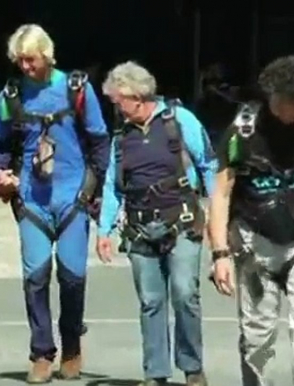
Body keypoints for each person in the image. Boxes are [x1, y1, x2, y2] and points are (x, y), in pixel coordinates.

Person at [0, 24, 110, 383]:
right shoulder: (9, 95)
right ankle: (41, 352)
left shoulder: (76, 89)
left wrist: (95, 192)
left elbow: (100, 143)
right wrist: (0, 176)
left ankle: (71, 346)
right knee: (35, 278)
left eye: (31, 60)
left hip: (73, 196)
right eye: (20, 61)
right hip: (32, 200)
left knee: (72, 277)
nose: (25, 67)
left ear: (46, 54)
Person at [95, 61, 217, 386]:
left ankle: (192, 368)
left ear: (136, 96)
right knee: (151, 301)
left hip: (182, 221)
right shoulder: (121, 137)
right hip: (138, 228)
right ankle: (156, 373)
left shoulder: (180, 121)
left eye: (118, 102)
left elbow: (208, 165)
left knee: (184, 292)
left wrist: (218, 217)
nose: (116, 109)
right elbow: (111, 185)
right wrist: (103, 230)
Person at [209, 55, 294, 386]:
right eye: (278, 101)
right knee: (257, 335)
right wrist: (220, 254)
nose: (285, 109)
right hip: (256, 244)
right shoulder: (244, 130)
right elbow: (222, 193)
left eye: (293, 101)